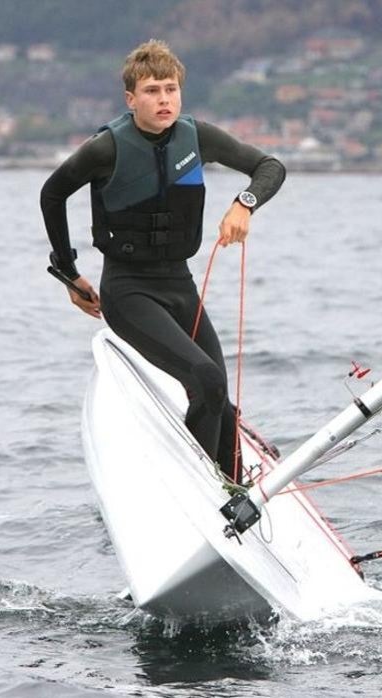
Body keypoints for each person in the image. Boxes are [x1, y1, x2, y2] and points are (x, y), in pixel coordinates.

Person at [40, 39, 285, 479]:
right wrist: (69, 274)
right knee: (205, 379)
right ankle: (192, 486)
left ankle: (231, 488)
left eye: (171, 89)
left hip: (180, 285)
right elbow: (52, 193)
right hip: (128, 289)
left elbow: (269, 167)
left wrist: (244, 204)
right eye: (152, 91)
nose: (164, 99)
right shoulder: (106, 149)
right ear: (131, 98)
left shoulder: (198, 137)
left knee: (218, 398)